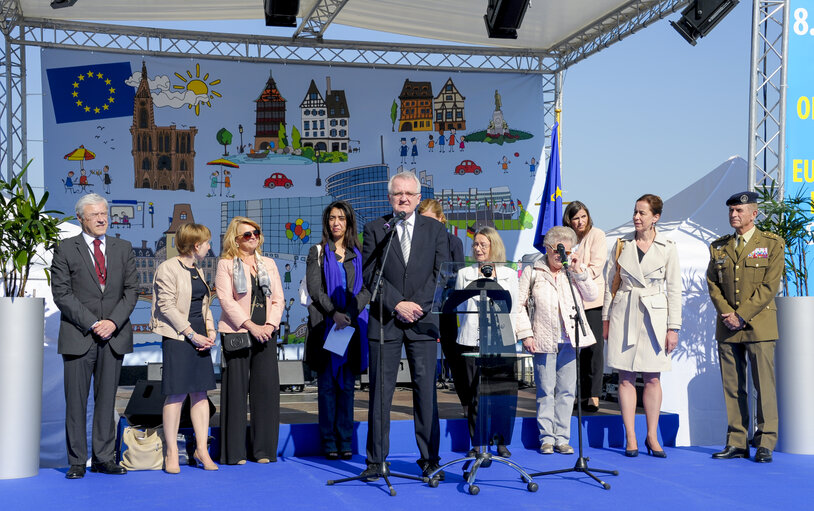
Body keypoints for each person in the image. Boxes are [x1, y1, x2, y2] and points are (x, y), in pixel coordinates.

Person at [361, 171, 450, 480]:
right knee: (380, 394)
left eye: (409, 194)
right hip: (385, 321)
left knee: (426, 393)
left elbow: (441, 274)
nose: (403, 198)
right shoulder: (376, 229)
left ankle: (429, 460)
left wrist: (417, 307)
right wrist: (397, 303)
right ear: (390, 198)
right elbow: (371, 274)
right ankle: (376, 462)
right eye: (398, 194)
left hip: (423, 323)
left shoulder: (435, 231)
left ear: (418, 197)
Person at [51, 193, 138, 479]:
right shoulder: (65, 249)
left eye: (104, 213)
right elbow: (62, 294)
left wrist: (112, 322)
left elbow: (131, 291)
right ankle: (77, 461)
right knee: (75, 402)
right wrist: (93, 323)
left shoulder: (123, 248)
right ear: (80, 219)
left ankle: (104, 458)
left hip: (113, 336)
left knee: (106, 401)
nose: (102, 219)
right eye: (94, 215)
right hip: (79, 335)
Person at [706, 191, 783, 463]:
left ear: (754, 214)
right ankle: (737, 441)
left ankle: (765, 442)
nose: (733, 215)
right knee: (733, 386)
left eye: (739, 210)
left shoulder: (772, 244)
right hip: (727, 326)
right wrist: (727, 313)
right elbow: (712, 282)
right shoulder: (719, 246)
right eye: (731, 211)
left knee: (764, 385)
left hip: (759, 325)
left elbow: (770, 285)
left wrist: (742, 315)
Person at [602, 194, 682, 458]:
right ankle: (631, 437)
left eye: (642, 213)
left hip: (655, 316)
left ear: (655, 217)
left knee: (652, 377)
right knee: (624, 376)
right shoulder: (620, 245)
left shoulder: (668, 247)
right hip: (624, 312)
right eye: (635, 212)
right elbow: (609, 285)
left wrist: (674, 328)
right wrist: (605, 319)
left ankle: (651, 435)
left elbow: (674, 290)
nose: (636, 217)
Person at [517, 226, 596, 455]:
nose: (562, 256)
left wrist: (579, 271)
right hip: (543, 338)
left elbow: (591, 296)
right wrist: (526, 334)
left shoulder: (572, 271)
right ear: (548, 248)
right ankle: (546, 438)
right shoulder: (533, 271)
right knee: (546, 390)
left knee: (567, 391)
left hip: (570, 339)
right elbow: (519, 306)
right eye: (558, 251)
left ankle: (562, 438)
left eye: (567, 252)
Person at [305, 201, 370, 461]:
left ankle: (345, 440)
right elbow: (315, 289)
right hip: (327, 327)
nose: (336, 223)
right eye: (332, 218)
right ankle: (329, 441)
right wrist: (335, 314)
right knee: (327, 388)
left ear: (349, 222)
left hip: (352, 328)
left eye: (341, 218)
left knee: (347, 387)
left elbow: (367, 289)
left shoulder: (360, 253)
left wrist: (350, 315)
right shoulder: (317, 252)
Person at [216, 217, 284, 465]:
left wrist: (269, 325)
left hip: (266, 333)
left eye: (255, 232)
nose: (253, 236)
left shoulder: (269, 263)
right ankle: (234, 453)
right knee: (235, 393)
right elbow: (226, 300)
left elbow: (278, 299)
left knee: (265, 392)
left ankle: (263, 450)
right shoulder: (225, 264)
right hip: (237, 333)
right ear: (235, 239)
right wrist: (251, 326)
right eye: (247, 234)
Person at [150, 223, 218, 473]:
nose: (210, 247)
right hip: (179, 337)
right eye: (207, 243)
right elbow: (166, 307)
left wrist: (210, 332)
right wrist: (191, 334)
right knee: (177, 394)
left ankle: (202, 449)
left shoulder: (197, 269)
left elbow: (203, 304)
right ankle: (171, 453)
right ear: (196, 245)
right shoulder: (168, 268)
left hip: (199, 335)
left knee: (201, 394)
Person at [454, 226, 519, 457]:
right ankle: (477, 443)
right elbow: (461, 309)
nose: (478, 248)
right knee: (475, 394)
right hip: (472, 340)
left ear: (494, 246)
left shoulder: (509, 274)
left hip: (502, 341)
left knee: (501, 393)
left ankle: (501, 441)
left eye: (483, 244)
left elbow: (515, 309)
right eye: (475, 244)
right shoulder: (464, 274)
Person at [417, 198, 465, 405]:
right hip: (418, 307)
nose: (426, 226)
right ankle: (425, 405)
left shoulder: (453, 242)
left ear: (441, 219)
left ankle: (466, 402)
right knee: (422, 360)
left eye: (431, 220)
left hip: (443, 308)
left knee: (454, 355)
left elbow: (459, 275)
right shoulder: (413, 243)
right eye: (422, 220)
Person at [562, 201, 607, 412]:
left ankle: (593, 395)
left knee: (594, 349)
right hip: (571, 300)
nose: (580, 221)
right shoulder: (566, 239)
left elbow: (596, 267)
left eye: (583, 216)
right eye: (575, 218)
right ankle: (574, 394)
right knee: (573, 350)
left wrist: (577, 269)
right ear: (568, 221)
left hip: (592, 300)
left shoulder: (597, 235)